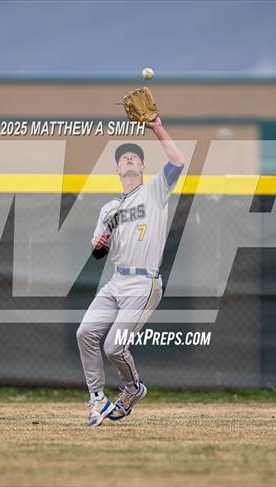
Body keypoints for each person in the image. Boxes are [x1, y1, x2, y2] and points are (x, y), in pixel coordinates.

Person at [76, 116, 185, 426]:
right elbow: (98, 253)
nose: (128, 158)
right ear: (117, 170)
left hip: (144, 282)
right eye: (123, 157)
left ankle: (133, 389)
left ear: (143, 167)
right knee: (85, 333)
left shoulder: (155, 191)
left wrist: (156, 127)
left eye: (134, 156)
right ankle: (97, 399)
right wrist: (100, 244)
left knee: (114, 346)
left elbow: (178, 162)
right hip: (117, 280)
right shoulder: (108, 209)